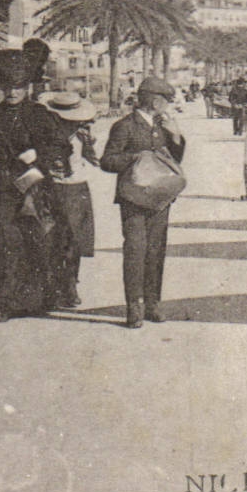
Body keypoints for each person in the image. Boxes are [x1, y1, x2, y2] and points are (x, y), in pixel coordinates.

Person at [0, 47, 66, 325]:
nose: (13, 92)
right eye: (8, 86)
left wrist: (38, 156)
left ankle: (32, 300)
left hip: (33, 190)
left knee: (35, 244)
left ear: (28, 87)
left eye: (18, 87)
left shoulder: (40, 115)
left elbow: (61, 148)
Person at [101, 76, 186, 329]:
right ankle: (134, 307)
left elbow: (175, 160)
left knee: (156, 251)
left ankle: (152, 303)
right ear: (154, 101)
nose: (167, 106)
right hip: (133, 199)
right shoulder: (124, 126)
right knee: (136, 252)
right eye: (165, 101)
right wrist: (136, 158)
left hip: (160, 199)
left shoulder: (163, 126)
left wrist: (177, 137)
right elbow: (107, 161)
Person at [40, 91, 100, 310]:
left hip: (76, 188)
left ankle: (70, 284)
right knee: (51, 239)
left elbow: (95, 161)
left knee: (74, 241)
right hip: (51, 188)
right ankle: (52, 287)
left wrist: (90, 145)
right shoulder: (46, 134)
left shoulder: (83, 134)